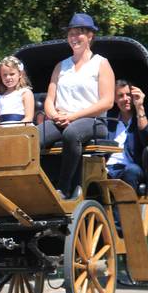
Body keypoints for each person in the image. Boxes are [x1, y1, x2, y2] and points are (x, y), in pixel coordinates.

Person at [38, 13, 115, 200]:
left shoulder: (101, 63)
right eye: (71, 34)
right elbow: (49, 99)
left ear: (90, 36)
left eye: (79, 33)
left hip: (93, 121)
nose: (74, 38)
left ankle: (64, 188)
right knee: (32, 137)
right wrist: (54, 115)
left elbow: (107, 102)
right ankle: (39, 186)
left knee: (71, 133)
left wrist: (72, 117)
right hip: (60, 119)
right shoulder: (61, 66)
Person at [107, 80, 148, 191]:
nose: (126, 98)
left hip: (130, 167)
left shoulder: (141, 119)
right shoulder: (108, 119)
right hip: (107, 167)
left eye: (129, 95)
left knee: (131, 171)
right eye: (121, 96)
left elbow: (147, 140)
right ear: (115, 100)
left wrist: (139, 106)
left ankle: (123, 208)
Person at [0, 56, 35, 126]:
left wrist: (14, 130)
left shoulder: (25, 93)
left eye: (12, 74)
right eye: (4, 75)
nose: (8, 77)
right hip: (3, 132)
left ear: (20, 74)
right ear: (0, 77)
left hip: (22, 130)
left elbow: (28, 118)